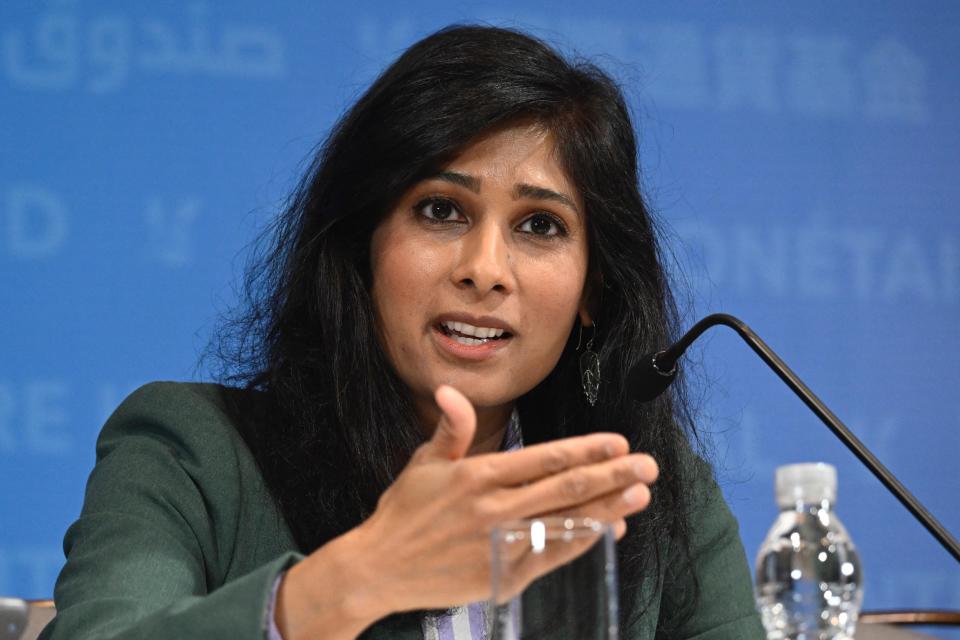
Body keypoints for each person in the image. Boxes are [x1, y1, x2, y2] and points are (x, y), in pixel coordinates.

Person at [40, 25, 763, 640]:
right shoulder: (191, 453)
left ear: (591, 292)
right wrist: (358, 578)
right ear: (363, 249)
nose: (485, 270)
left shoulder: (657, 498)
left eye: (540, 225)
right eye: (441, 210)